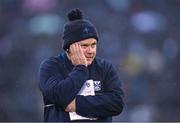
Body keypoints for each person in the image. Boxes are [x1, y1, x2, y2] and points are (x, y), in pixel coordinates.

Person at [38, 8, 124, 122]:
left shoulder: (105, 68)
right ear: (69, 47)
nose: (90, 51)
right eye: (84, 46)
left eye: (93, 45)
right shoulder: (51, 66)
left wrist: (77, 104)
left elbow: (116, 103)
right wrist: (81, 68)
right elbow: (59, 96)